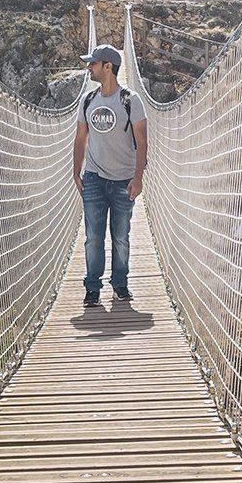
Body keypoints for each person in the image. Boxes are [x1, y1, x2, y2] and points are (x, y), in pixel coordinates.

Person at [72, 44, 148, 307]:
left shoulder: (130, 100)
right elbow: (80, 138)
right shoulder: (88, 100)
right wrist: (76, 171)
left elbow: (142, 141)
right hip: (93, 178)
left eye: (93, 63)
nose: (88, 67)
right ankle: (92, 288)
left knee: (121, 237)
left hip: (123, 181)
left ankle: (120, 286)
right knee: (93, 237)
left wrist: (138, 178)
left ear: (108, 67)